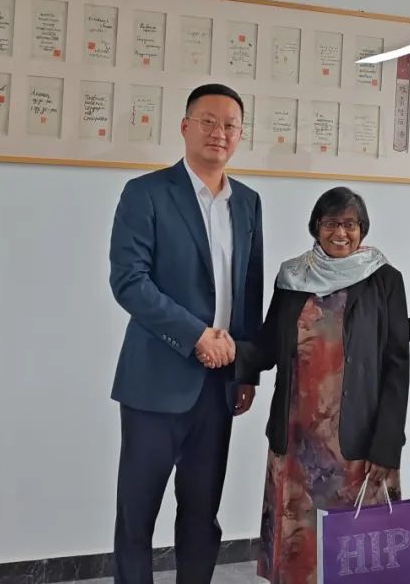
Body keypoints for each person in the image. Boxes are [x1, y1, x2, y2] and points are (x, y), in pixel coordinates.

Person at [109, 83, 264, 584]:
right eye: (208, 121)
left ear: (240, 134)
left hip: (218, 386)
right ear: (185, 126)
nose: (220, 133)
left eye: (230, 125)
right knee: (137, 516)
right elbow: (130, 282)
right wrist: (197, 335)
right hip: (155, 382)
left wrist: (246, 371)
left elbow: (249, 289)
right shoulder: (146, 194)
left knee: (201, 515)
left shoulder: (248, 203)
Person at [236, 187, 410, 584]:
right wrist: (225, 353)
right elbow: (269, 343)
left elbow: (397, 366)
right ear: (316, 226)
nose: (341, 233)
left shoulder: (385, 280)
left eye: (350, 224)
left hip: (355, 442)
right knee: (299, 551)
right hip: (296, 440)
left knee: (355, 557)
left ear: (362, 229)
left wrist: (388, 444)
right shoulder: (292, 277)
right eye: (331, 223)